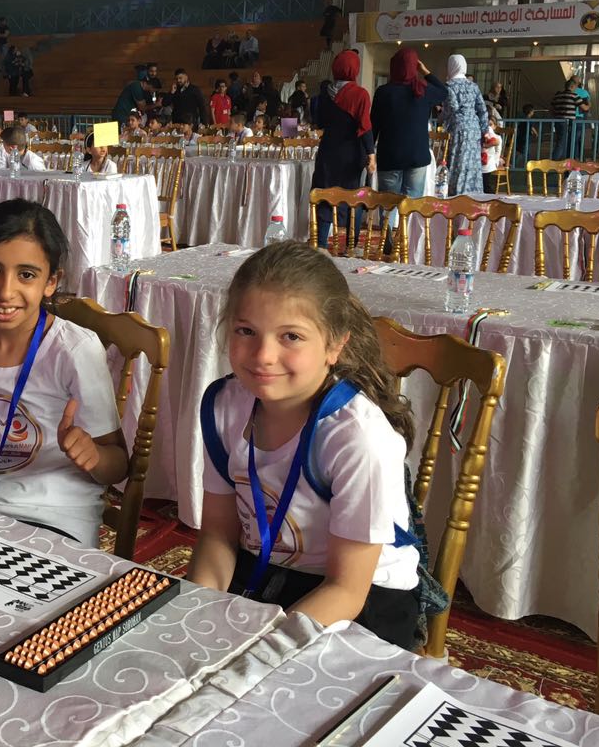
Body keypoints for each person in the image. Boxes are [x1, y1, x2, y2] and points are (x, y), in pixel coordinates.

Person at [186, 241, 425, 650]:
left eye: (291, 336)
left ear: (334, 346)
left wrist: (259, 653)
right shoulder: (224, 405)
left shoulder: (358, 438)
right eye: (246, 331)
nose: (264, 355)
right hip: (264, 569)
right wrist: (196, 611)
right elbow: (218, 537)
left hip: (363, 596)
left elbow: (346, 589)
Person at [0, 200, 128, 546]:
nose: (6, 291)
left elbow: (118, 465)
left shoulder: (75, 351)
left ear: (51, 282)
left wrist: (94, 456)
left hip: (57, 521)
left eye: (26, 275)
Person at [312, 50, 376, 249]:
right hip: (351, 154)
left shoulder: (325, 94)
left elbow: (319, 121)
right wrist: (371, 154)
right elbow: (365, 127)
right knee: (352, 198)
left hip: (327, 152)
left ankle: (321, 244)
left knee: (325, 195)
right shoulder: (360, 94)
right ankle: (351, 246)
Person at [371, 48, 447, 205]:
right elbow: (443, 92)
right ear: (414, 67)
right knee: (412, 206)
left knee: (388, 206)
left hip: (389, 156)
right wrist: (425, 71)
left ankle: (390, 222)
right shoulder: (423, 90)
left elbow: (374, 125)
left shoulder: (383, 92)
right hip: (417, 155)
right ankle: (408, 223)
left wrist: (369, 152)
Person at [442, 55, 490, 195]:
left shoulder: (449, 86)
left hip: (458, 128)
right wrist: (484, 130)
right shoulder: (473, 86)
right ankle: (474, 192)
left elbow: (452, 108)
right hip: (474, 128)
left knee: (458, 161)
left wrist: (442, 121)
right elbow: (482, 109)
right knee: (472, 162)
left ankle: (457, 193)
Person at [549, 76, 586, 161]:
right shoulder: (574, 96)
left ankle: (561, 161)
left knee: (560, 141)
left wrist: (555, 115)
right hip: (568, 122)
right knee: (564, 143)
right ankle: (554, 162)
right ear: (572, 87)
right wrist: (589, 105)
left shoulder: (558, 95)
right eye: (575, 87)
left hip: (558, 120)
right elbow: (584, 108)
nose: (576, 89)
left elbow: (551, 108)